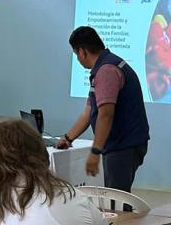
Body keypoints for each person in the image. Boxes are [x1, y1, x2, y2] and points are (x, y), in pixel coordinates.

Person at [57, 26, 150, 193]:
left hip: (123, 145)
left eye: (76, 54)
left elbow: (105, 115)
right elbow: (89, 111)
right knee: (116, 196)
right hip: (121, 144)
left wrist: (95, 151)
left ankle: (123, 221)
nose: (78, 59)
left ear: (82, 52)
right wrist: (68, 138)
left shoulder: (107, 70)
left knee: (117, 200)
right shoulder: (103, 68)